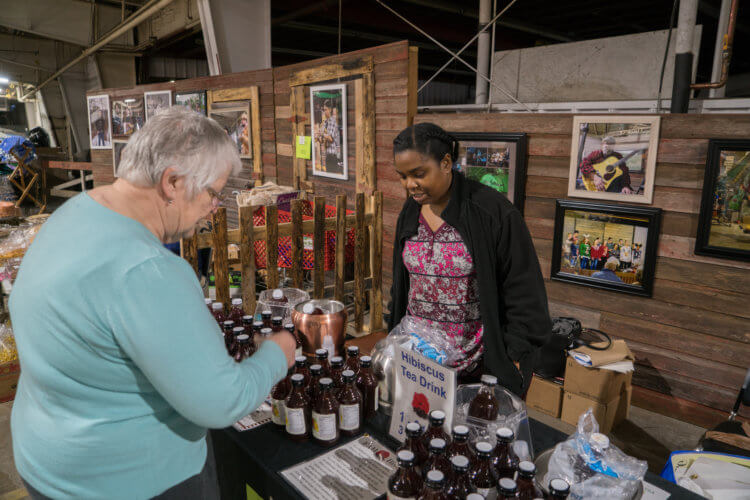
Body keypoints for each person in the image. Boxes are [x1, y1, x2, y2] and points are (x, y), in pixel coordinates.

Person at [9, 107, 296, 499]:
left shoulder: (74, 212)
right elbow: (220, 401)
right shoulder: (146, 270)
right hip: (130, 480)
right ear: (173, 182)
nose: (214, 207)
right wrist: (276, 354)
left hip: (48, 459)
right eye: (213, 193)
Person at [387, 123, 551, 396]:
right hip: (418, 362)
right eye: (402, 176)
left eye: (418, 174)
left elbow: (525, 292)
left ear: (446, 163)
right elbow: (402, 282)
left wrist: (511, 354)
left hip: (474, 369)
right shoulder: (410, 213)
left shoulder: (492, 213)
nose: (409, 185)